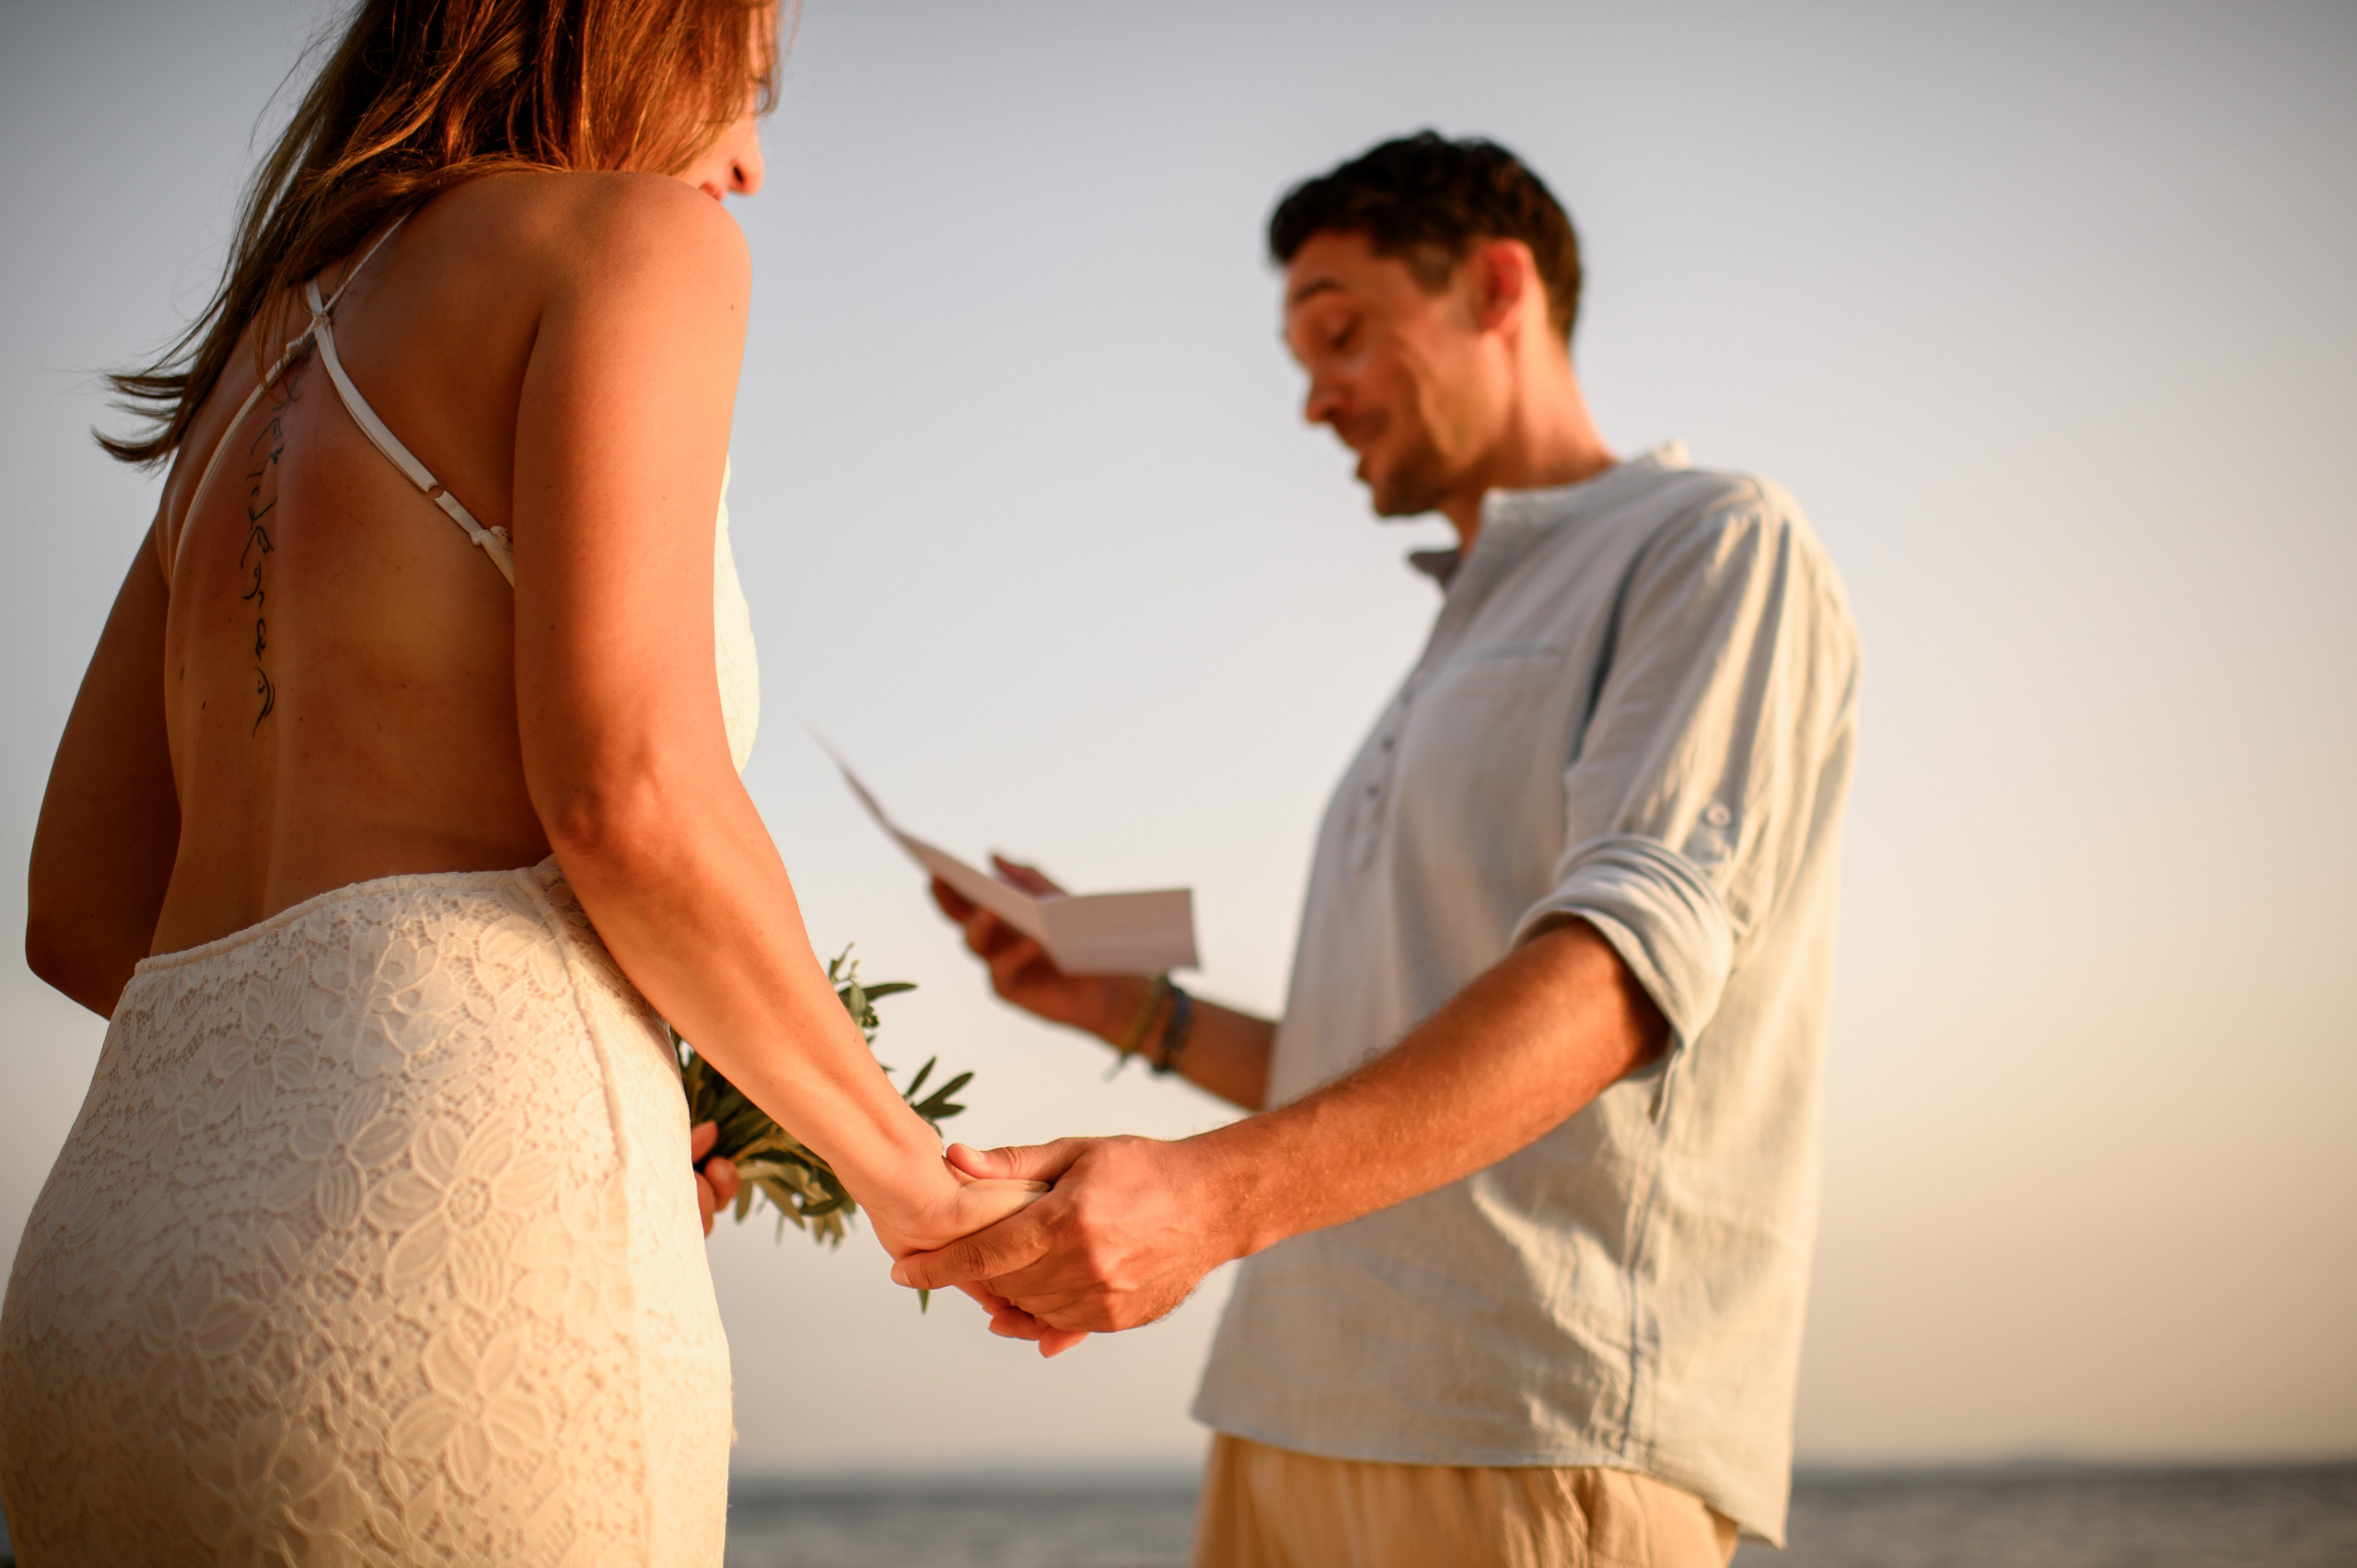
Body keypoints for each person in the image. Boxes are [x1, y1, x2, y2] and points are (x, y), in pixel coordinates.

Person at [0, 2, 1039, 1561]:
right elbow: (630, 797)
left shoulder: (250, 368)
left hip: (104, 1289)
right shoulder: (634, 244)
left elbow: (81, 914)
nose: (747, 163)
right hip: (427, 1269)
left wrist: (625, 1084)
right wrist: (914, 1182)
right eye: (745, 88)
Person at [903, 132, 1862, 1566]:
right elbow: (1380, 1062)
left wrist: (1210, 1198)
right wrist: (1131, 1007)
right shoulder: (1448, 642)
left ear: (1494, 286)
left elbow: (1615, 982)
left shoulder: (1711, 544)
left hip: (1523, 1426)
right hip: (1288, 1415)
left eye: (1342, 332)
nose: (1311, 399)